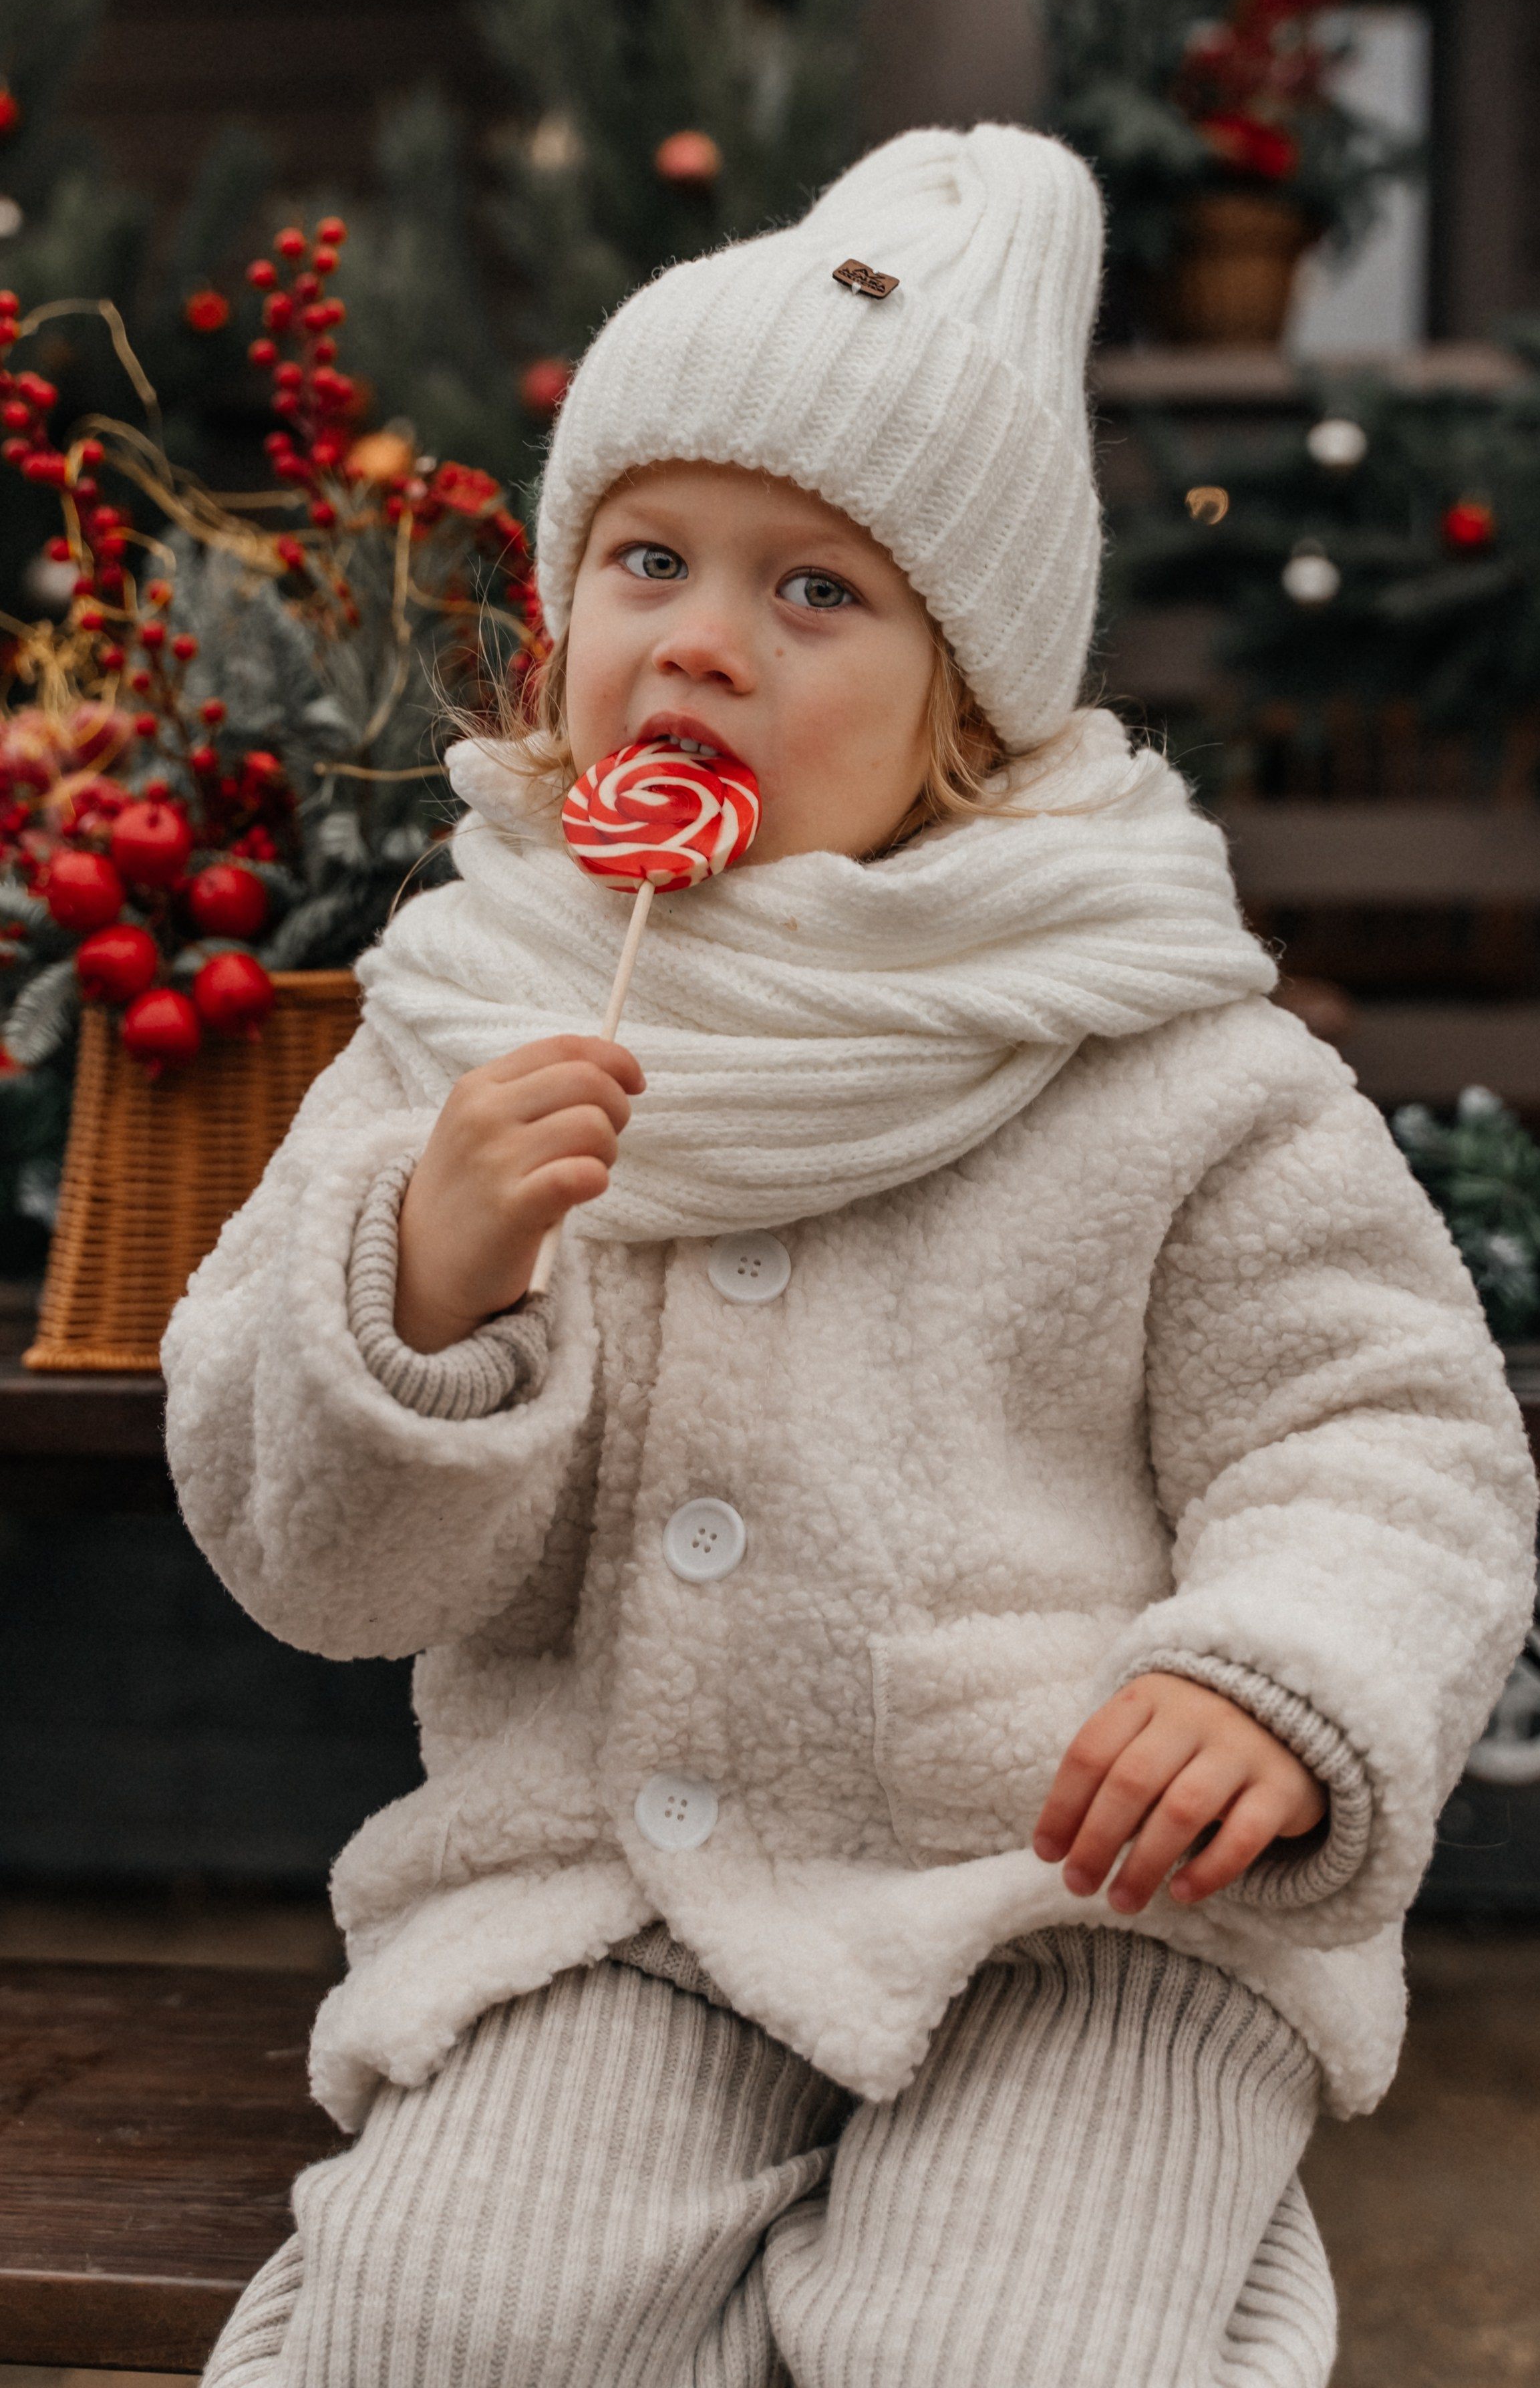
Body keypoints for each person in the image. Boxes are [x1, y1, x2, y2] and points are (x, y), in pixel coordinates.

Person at [167, 126, 1533, 2388]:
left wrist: (1273, 1679)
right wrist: (422, 1296)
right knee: (441, 2327)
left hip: (1088, 1908)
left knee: (987, 2345)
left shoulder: (1154, 1051)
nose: (701, 636)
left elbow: (1385, 1431)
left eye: (815, 592)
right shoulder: (463, 1029)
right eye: (647, 560)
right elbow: (325, 1571)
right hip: (618, 1897)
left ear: (966, 702)